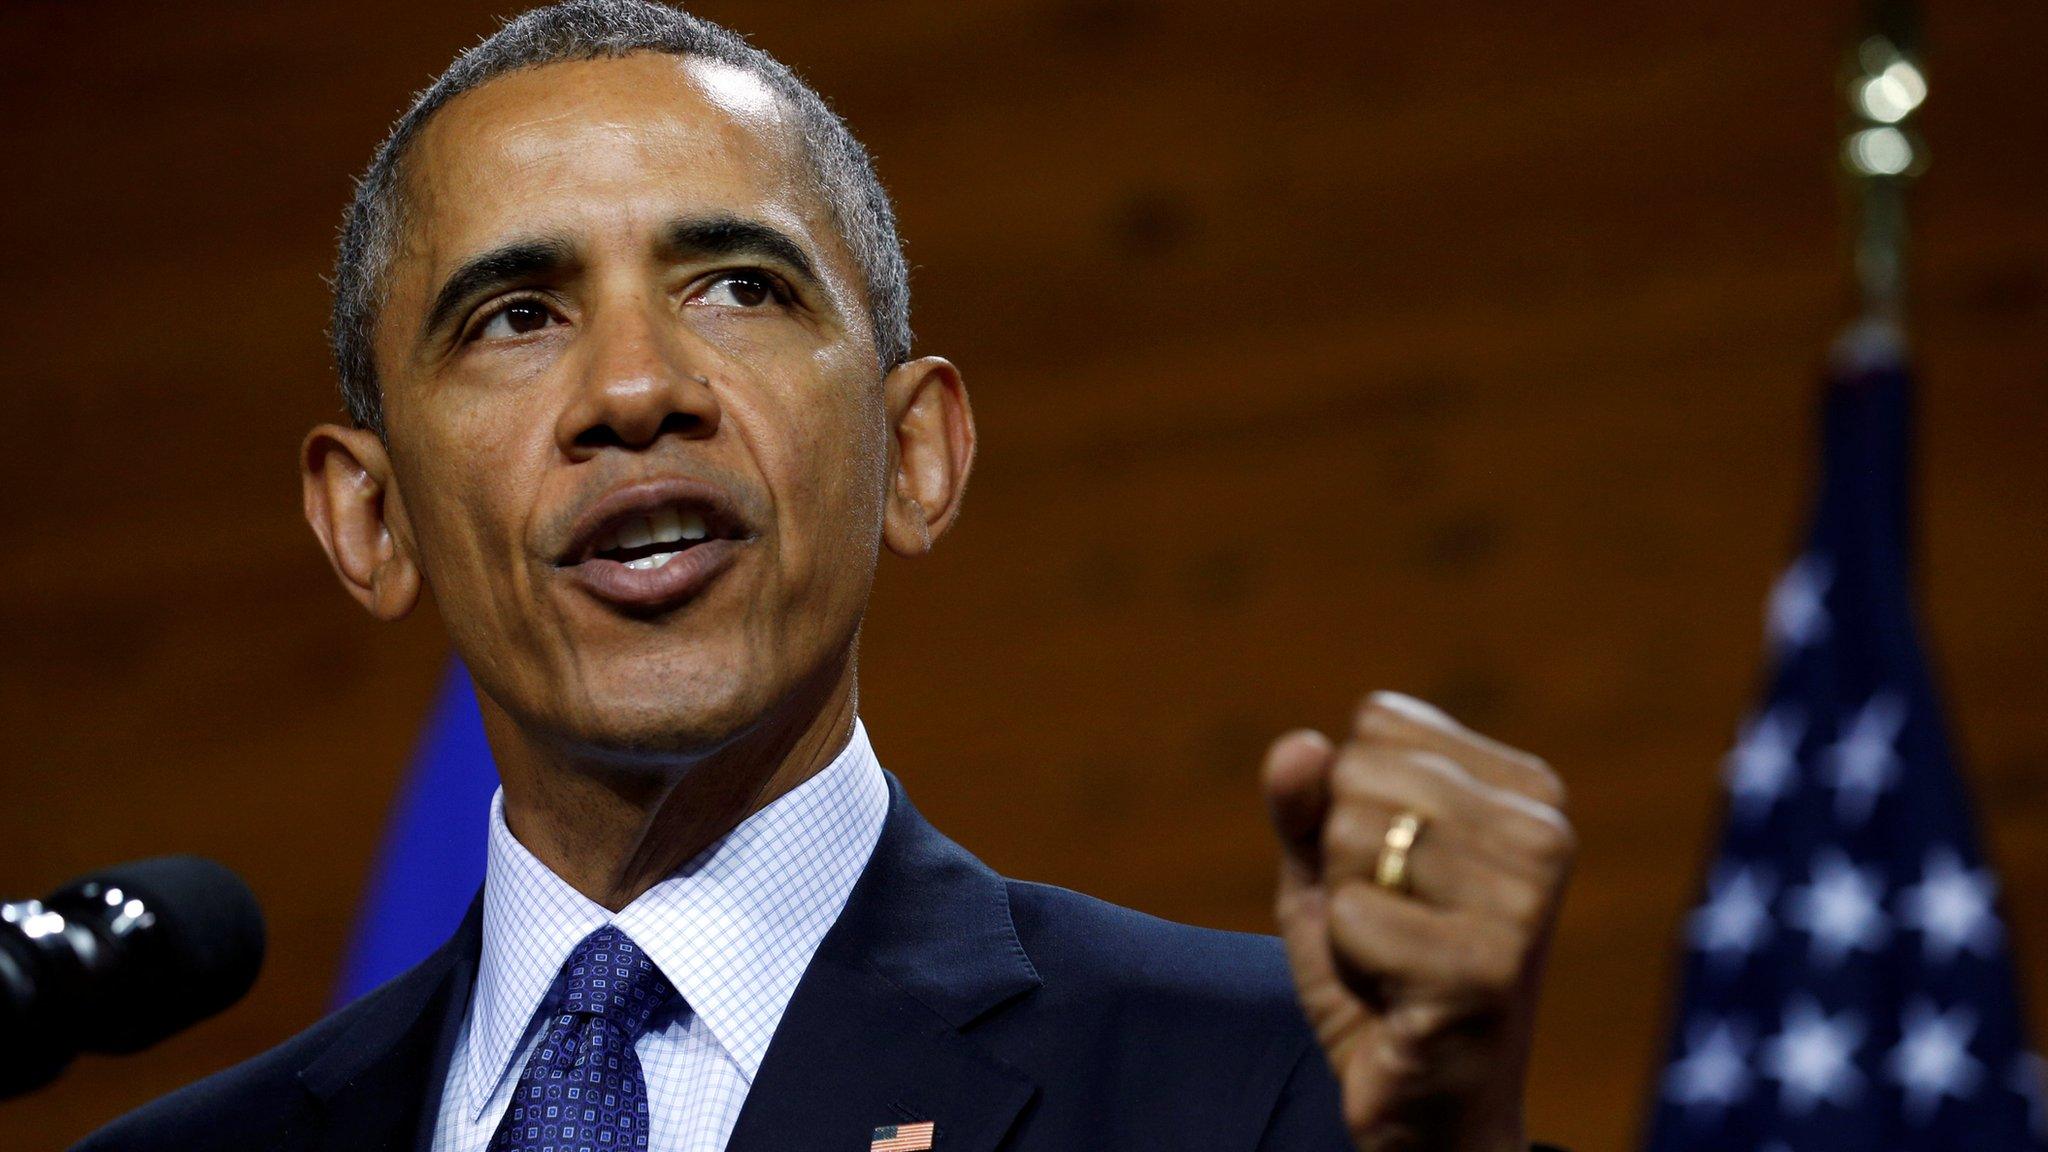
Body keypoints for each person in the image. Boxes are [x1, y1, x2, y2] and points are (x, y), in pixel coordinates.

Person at [76, 3, 1574, 1149]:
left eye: (741, 287)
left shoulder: (1258, 1089)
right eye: (517, 314)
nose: (637, 387)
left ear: (916, 454)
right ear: (371, 519)